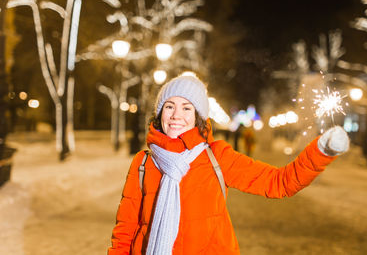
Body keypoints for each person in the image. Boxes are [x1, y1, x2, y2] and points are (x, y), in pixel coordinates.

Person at [108, 74, 350, 255]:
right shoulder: (144, 162)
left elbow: (280, 183)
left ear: (198, 116)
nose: (176, 115)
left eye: (186, 107)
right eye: (169, 106)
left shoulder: (217, 157)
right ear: (159, 113)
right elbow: (125, 229)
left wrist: (321, 152)